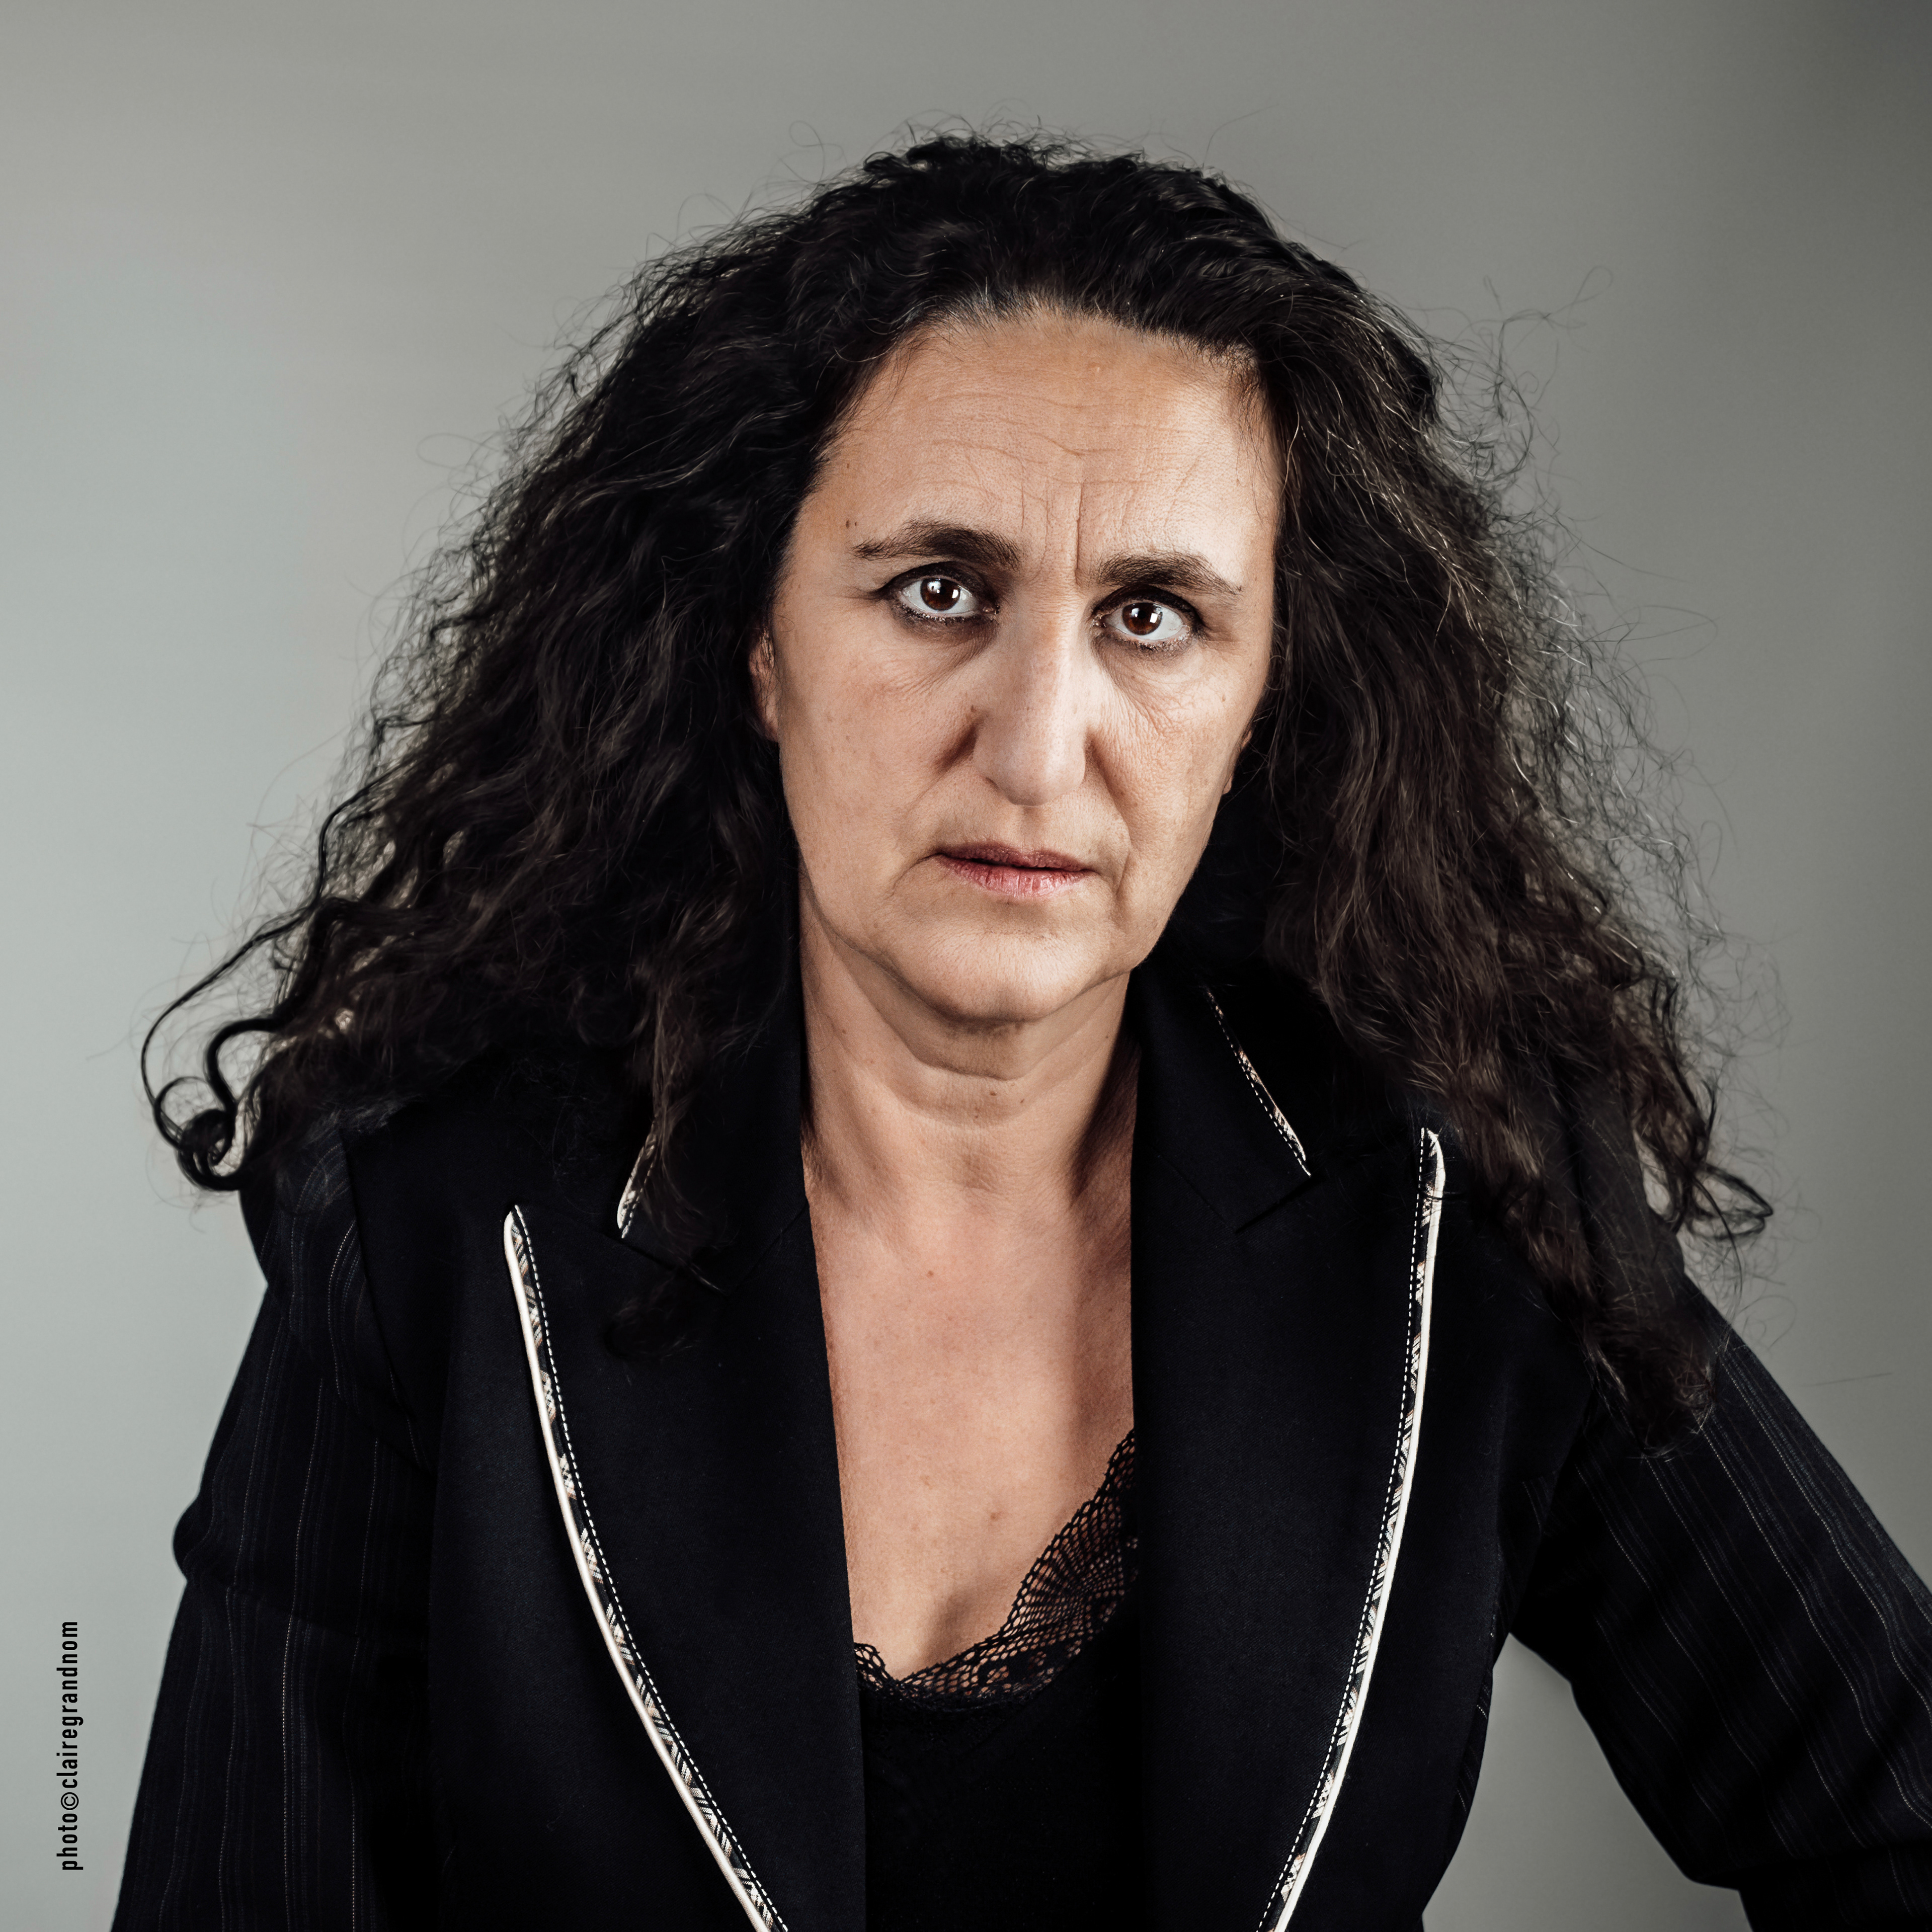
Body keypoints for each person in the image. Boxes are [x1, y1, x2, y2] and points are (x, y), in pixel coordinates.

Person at [115, 133, 1932, 1932]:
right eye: (940, 591)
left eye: (1155, 615)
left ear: (1265, 696)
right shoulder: (432, 1222)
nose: (1039, 745)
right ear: (757, 643)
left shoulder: (1469, 1198)